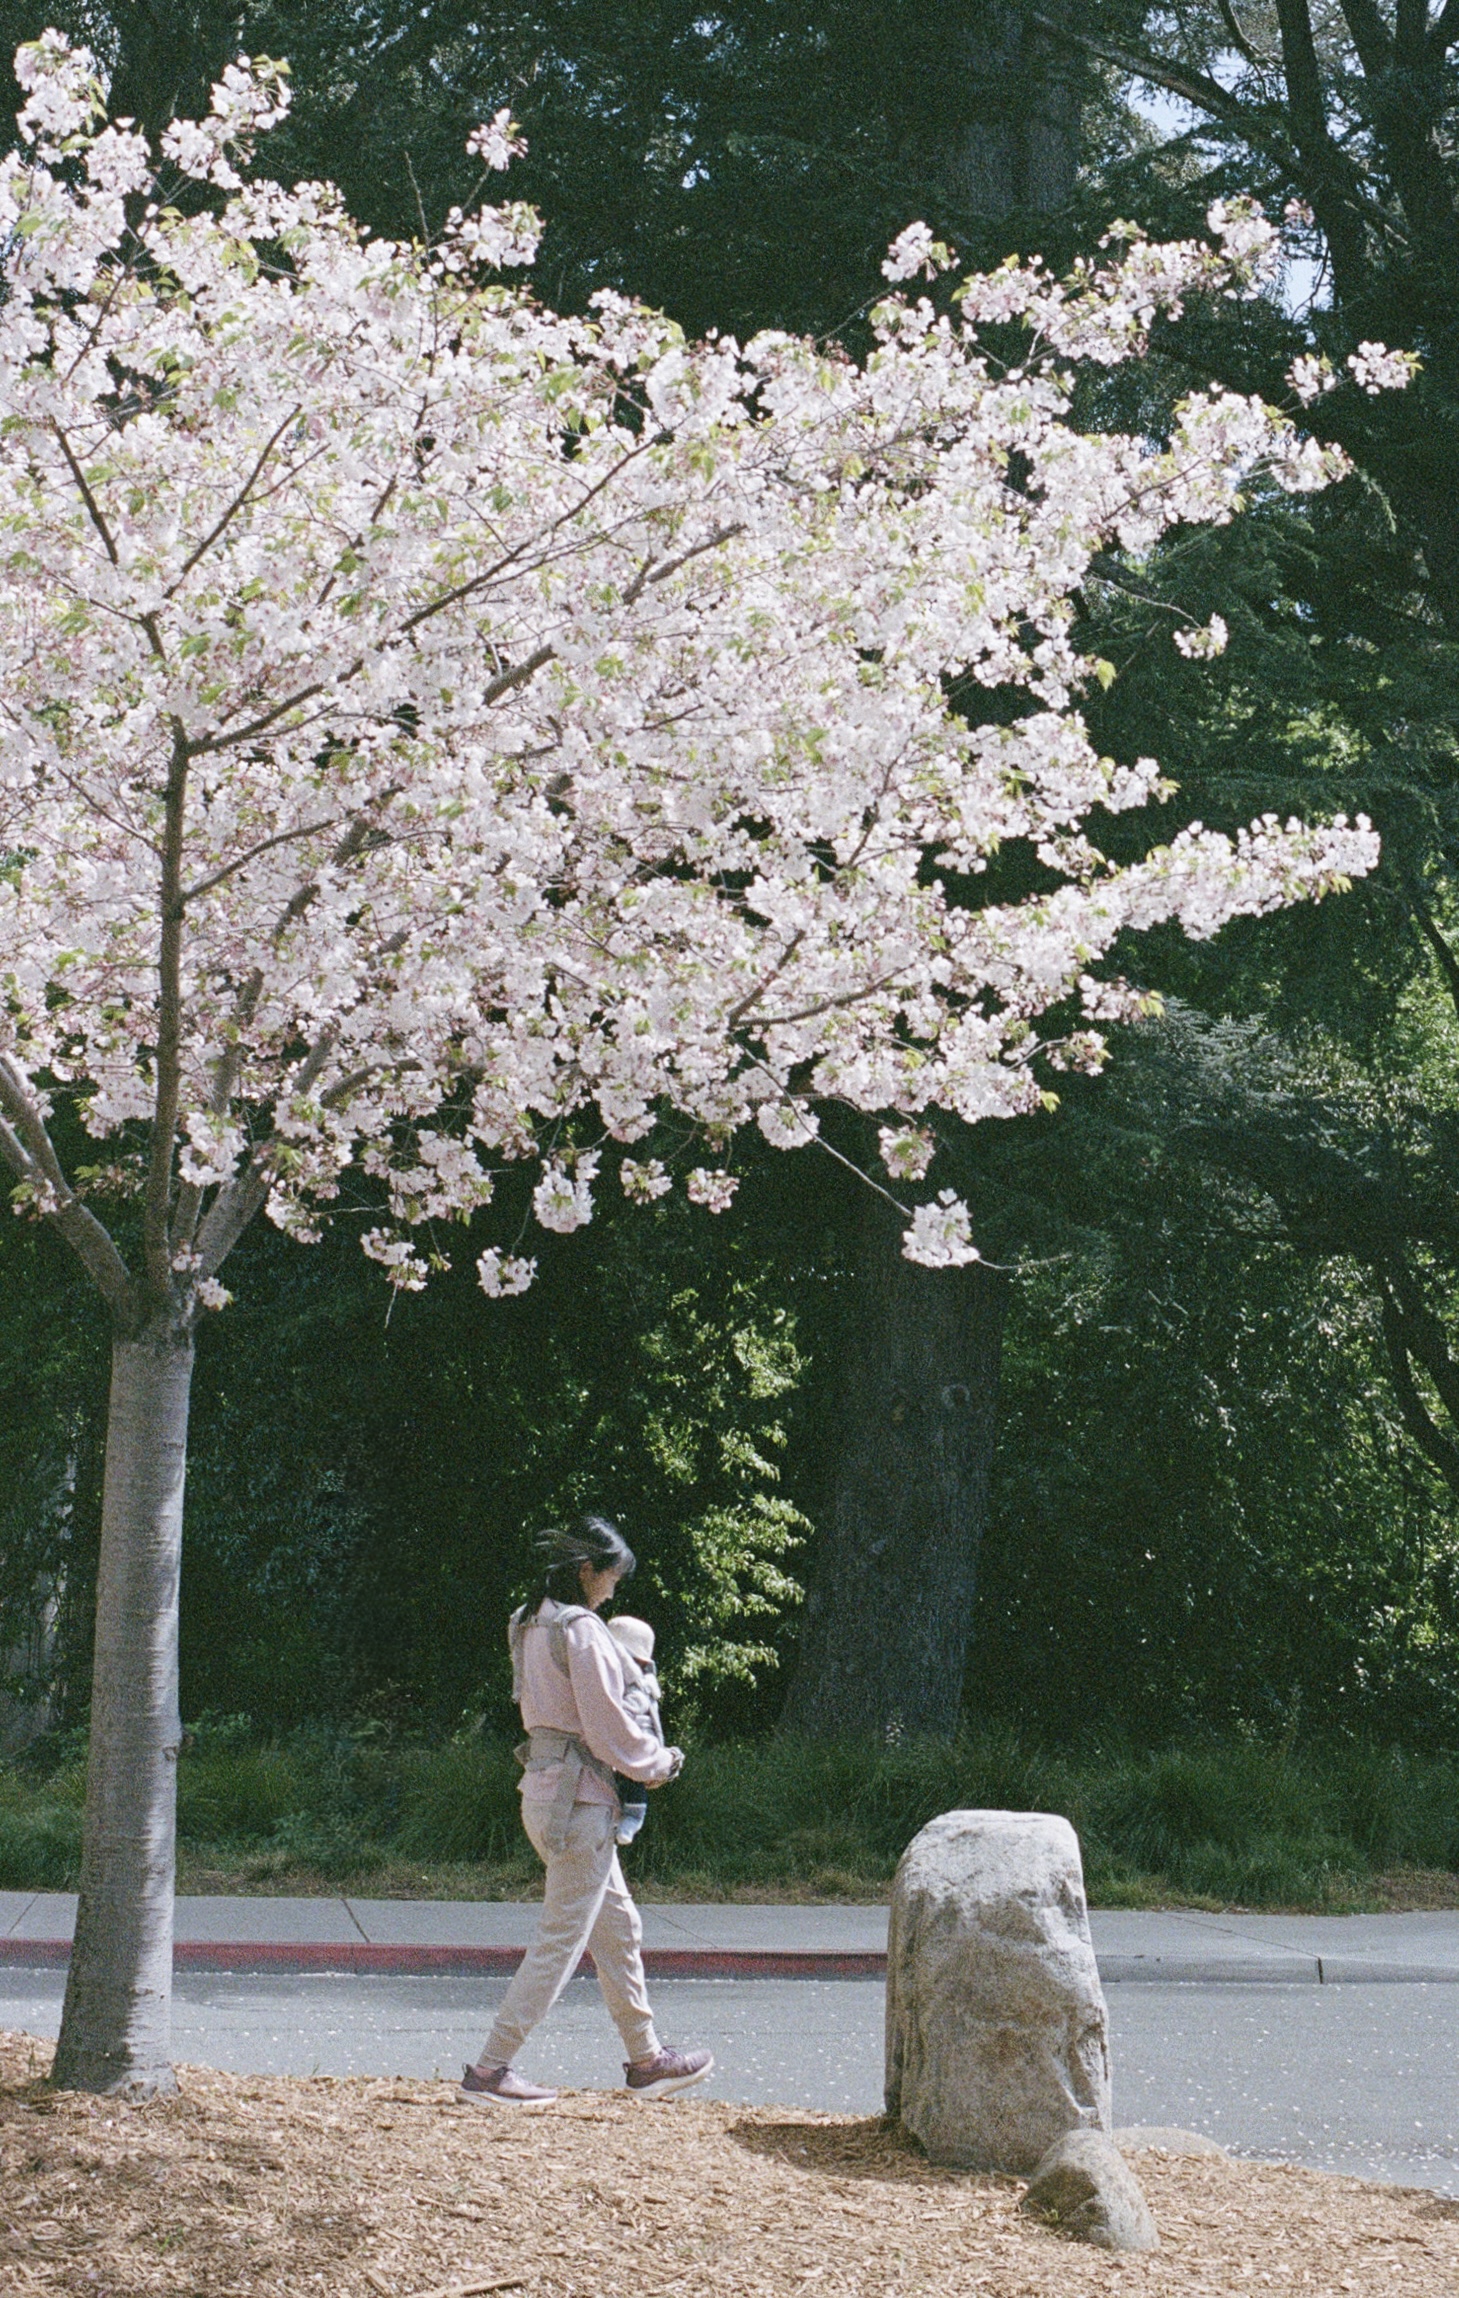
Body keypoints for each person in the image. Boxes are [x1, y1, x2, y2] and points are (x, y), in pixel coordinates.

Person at [459, 1517, 714, 2110]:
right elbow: (609, 1731)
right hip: (582, 1802)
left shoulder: (525, 1622)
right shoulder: (583, 1630)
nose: (612, 1590)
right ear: (585, 1571)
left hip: (545, 1794)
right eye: (610, 1577)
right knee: (560, 1942)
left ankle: (647, 2060)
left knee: (618, 1928)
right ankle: (491, 2070)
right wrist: (659, 1763)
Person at [603, 1615, 661, 1845]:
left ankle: (632, 1820)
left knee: (633, 1784)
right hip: (620, 1747)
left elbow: (622, 1716)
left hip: (635, 1744)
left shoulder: (638, 1688)